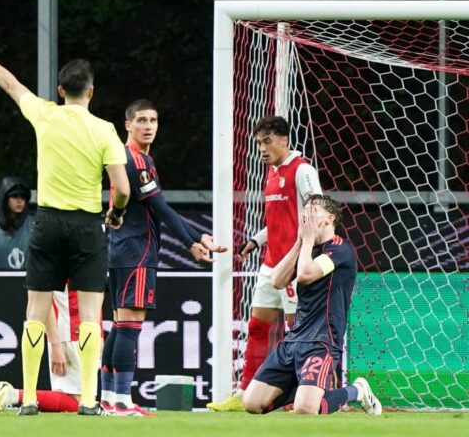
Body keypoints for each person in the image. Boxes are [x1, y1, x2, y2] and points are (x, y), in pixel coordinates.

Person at [0, 27, 131, 416]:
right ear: (91, 91)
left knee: (35, 312)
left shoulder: (45, 114)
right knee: (90, 315)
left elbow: (10, 85)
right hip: (87, 226)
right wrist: (116, 213)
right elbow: (121, 188)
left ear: (60, 91)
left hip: (49, 223)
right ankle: (88, 400)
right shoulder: (104, 130)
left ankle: (29, 399)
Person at [101, 99, 227, 416]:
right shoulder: (136, 161)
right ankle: (122, 401)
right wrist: (193, 239)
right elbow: (160, 208)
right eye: (141, 120)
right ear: (127, 125)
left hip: (121, 251)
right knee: (129, 326)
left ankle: (108, 397)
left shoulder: (131, 157)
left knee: (119, 325)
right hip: (137, 252)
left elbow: (154, 209)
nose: (148, 126)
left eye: (153, 120)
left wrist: (195, 239)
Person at [207, 115, 322, 412]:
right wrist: (256, 240)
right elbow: (279, 220)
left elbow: (318, 210)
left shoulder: (302, 170)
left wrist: (306, 253)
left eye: (267, 141)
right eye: (258, 142)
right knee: (257, 326)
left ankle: (303, 393)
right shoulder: (272, 173)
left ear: (284, 140)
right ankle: (244, 392)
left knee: (297, 331)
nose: (261, 148)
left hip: (294, 265)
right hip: (271, 263)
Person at [241, 194, 382, 415]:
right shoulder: (306, 249)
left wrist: (307, 241)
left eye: (313, 210)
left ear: (330, 218)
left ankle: (357, 390)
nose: (306, 215)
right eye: (304, 211)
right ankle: (304, 388)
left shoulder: (340, 249)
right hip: (294, 339)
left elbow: (306, 275)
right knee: (251, 404)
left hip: (322, 340)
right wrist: (300, 241)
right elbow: (277, 280)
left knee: (306, 409)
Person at [0, 285, 86, 413]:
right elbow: (43, 292)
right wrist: (56, 343)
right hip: (69, 332)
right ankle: (13, 395)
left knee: (83, 400)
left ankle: (18, 396)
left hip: (77, 330)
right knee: (79, 402)